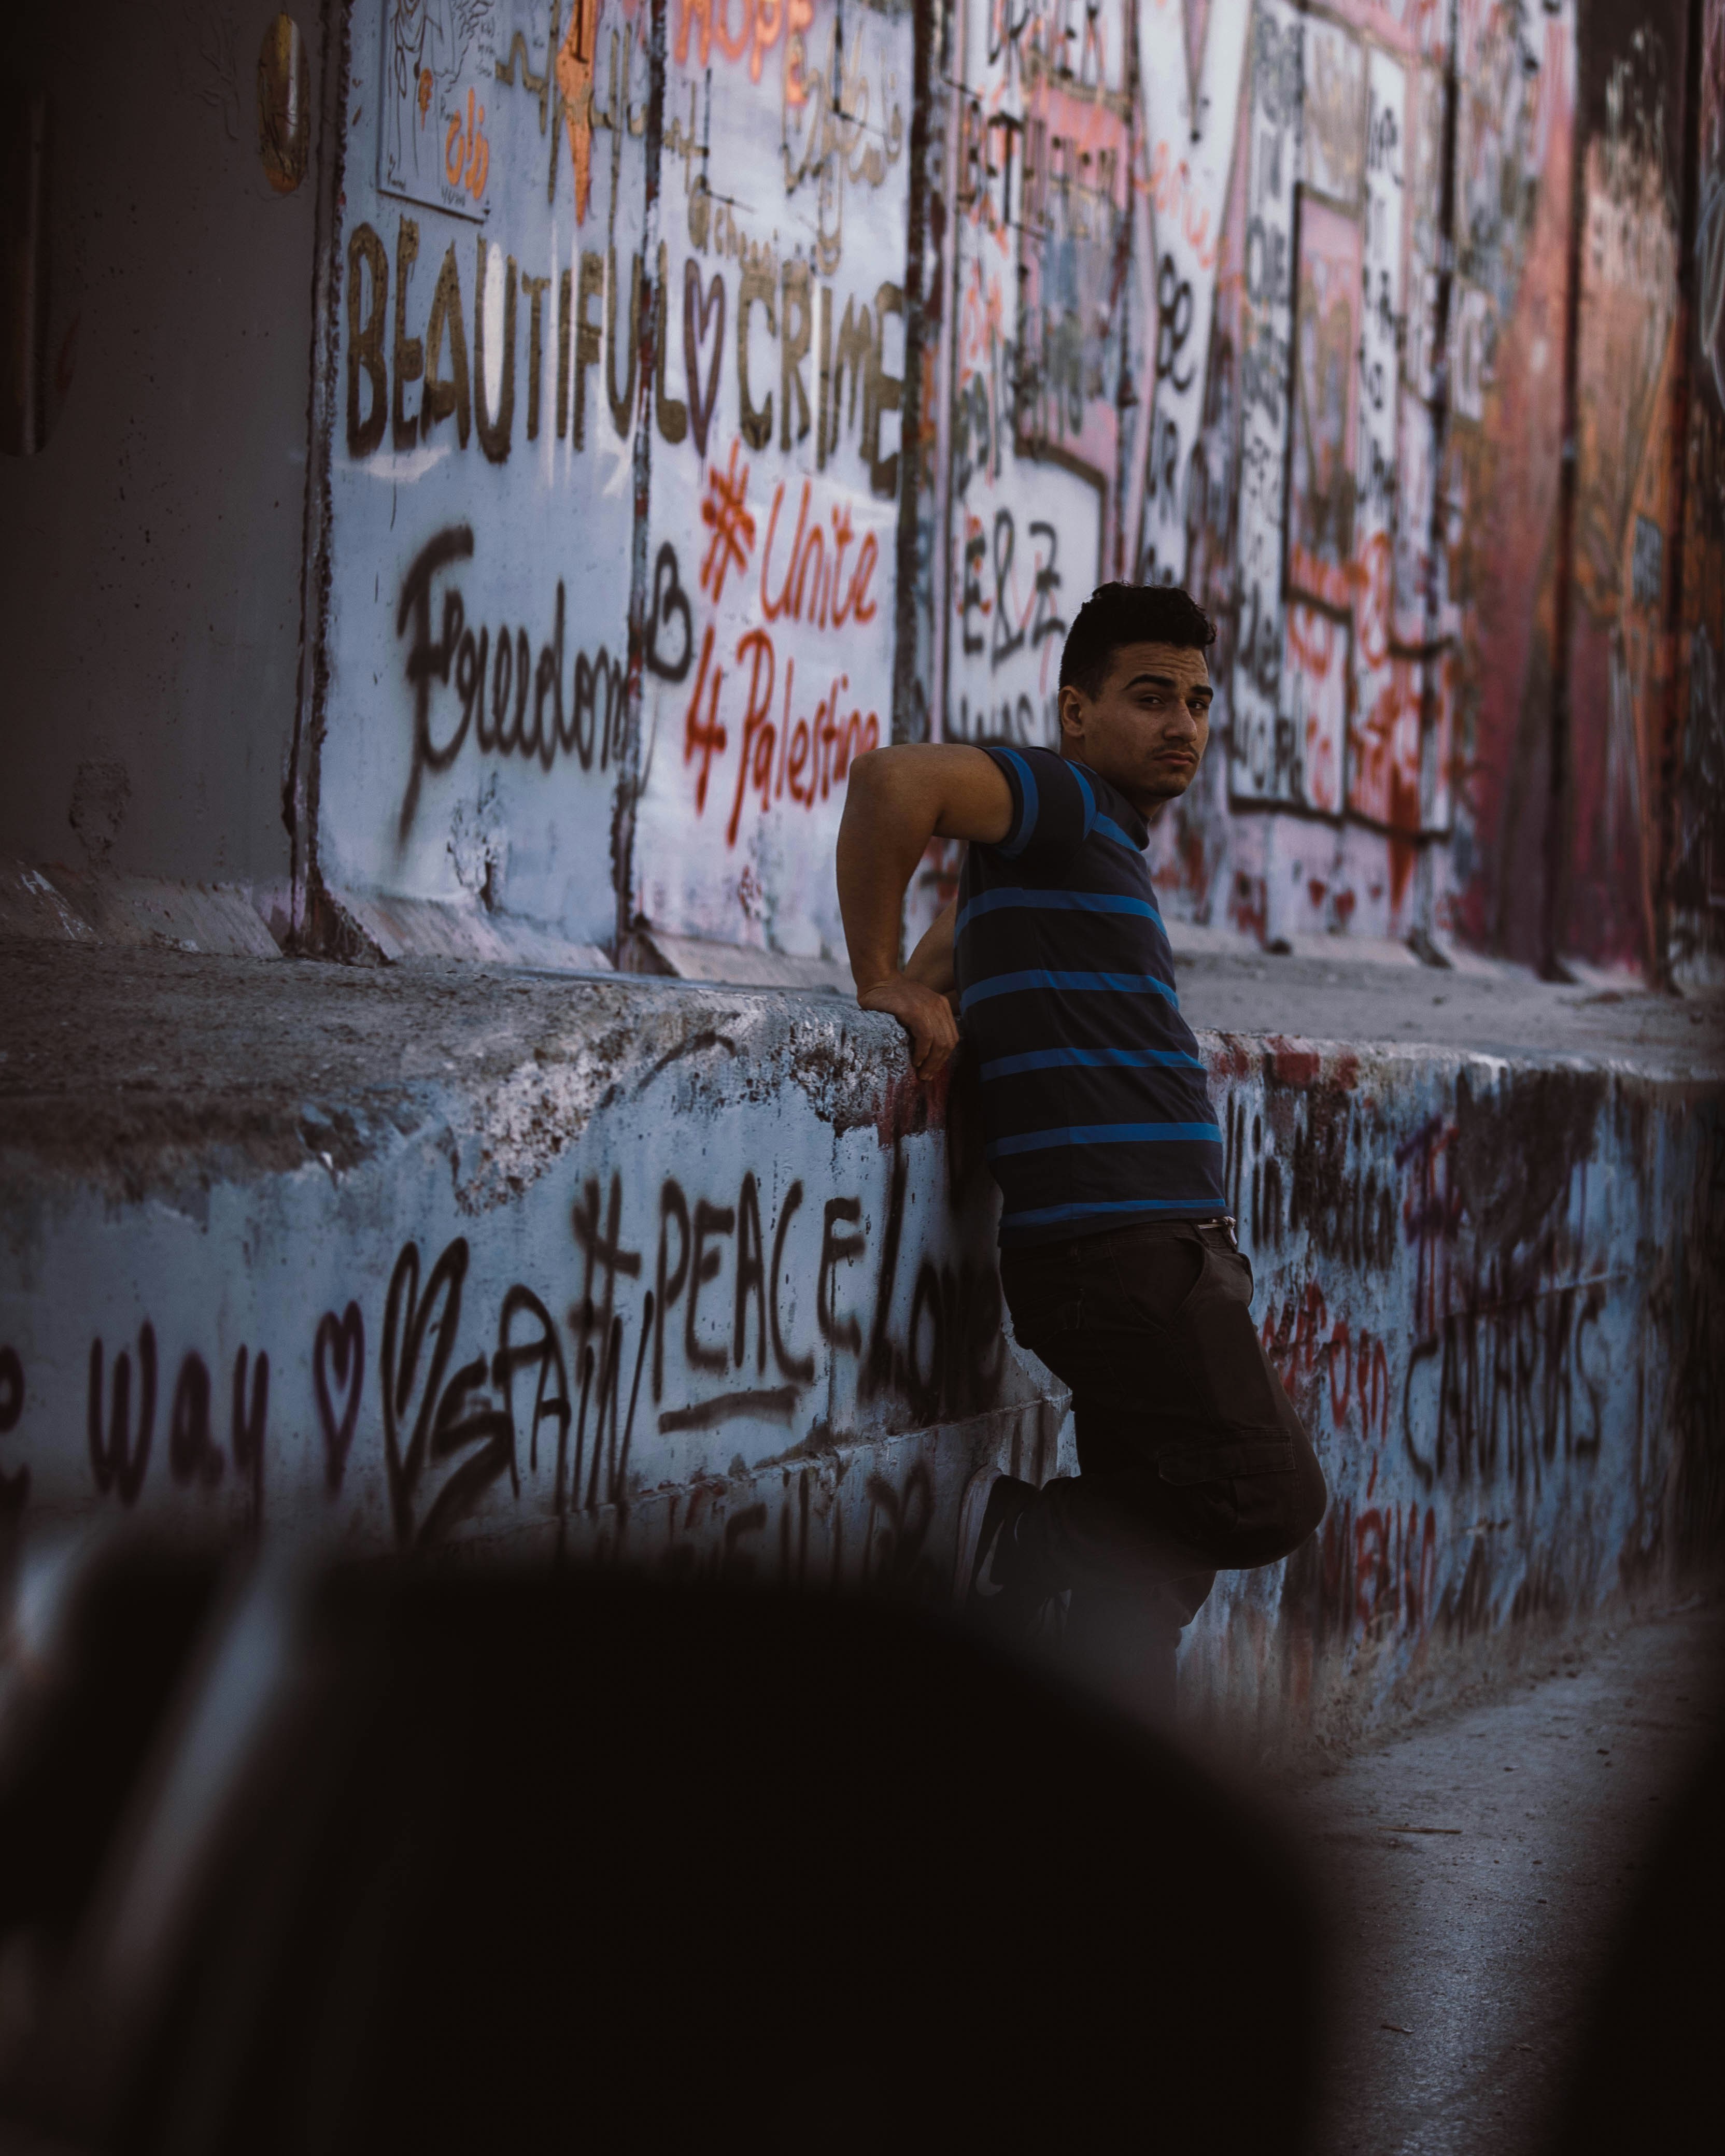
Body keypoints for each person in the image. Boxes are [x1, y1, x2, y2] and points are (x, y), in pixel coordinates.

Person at [835, 581, 1327, 1719]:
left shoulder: (1068, 852)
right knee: (1265, 1493)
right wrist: (876, 980)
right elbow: (892, 781)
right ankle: (1014, 1531)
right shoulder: (1062, 799)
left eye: (1198, 703)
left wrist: (923, 973)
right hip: (1121, 1249)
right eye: (1148, 697)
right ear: (1072, 711)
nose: (1182, 727)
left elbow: (964, 939)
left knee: (1152, 1556)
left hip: (1149, 1245)